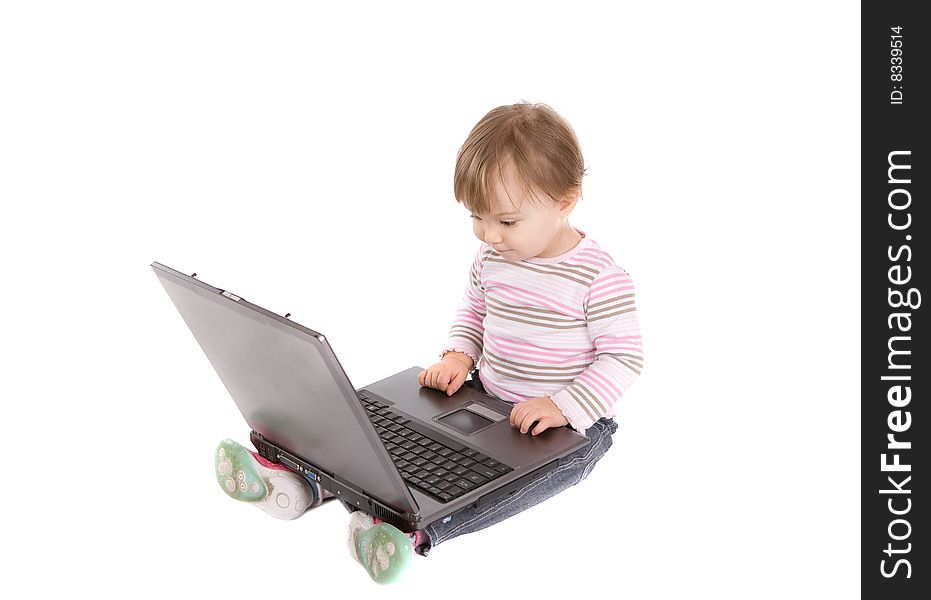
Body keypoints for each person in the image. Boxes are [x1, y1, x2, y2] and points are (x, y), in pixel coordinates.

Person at [214, 102, 644, 584]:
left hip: (570, 427)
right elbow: (475, 312)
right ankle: (300, 480)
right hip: (486, 394)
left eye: (506, 221)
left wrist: (565, 406)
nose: (488, 235)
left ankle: (408, 534)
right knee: (379, 427)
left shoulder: (598, 278)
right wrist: (460, 354)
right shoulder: (491, 258)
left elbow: (623, 357)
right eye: (477, 218)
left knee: (510, 485)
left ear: (566, 202)